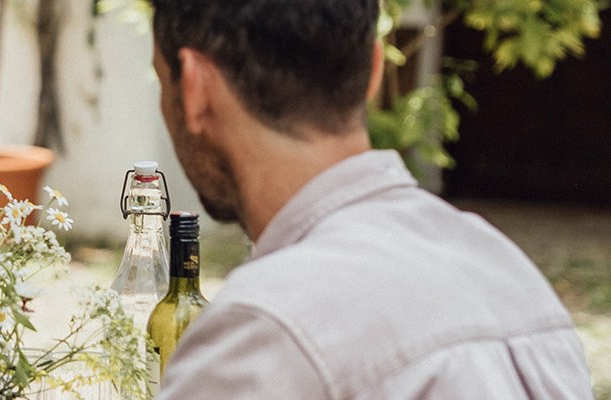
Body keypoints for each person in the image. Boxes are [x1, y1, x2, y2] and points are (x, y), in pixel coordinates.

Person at [147, 0, 594, 398]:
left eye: (161, 82)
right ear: (374, 72)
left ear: (195, 87)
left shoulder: (264, 332)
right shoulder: (512, 279)